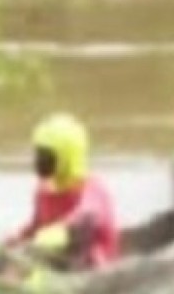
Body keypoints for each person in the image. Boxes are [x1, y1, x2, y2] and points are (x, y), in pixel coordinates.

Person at [8, 113, 119, 270]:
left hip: (90, 261)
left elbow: (85, 216)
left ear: (66, 157)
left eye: (46, 156)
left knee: (80, 237)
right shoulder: (44, 189)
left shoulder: (92, 190)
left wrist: (57, 233)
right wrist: (16, 239)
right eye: (38, 154)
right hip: (54, 254)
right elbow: (36, 226)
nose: (39, 161)